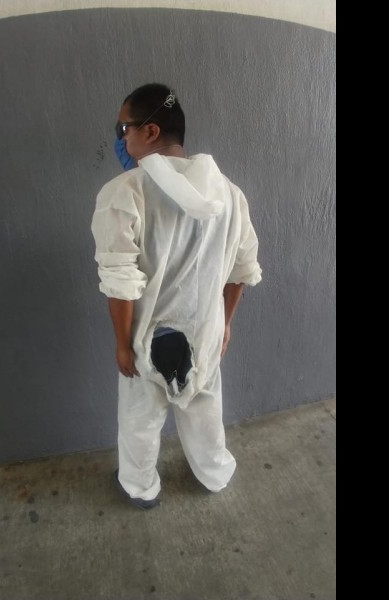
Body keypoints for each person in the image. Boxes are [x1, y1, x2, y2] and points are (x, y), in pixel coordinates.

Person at [91, 83, 262, 509]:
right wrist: (225, 324)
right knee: (204, 412)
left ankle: (140, 487)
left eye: (124, 129)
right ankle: (213, 474)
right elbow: (241, 270)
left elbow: (120, 281)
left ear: (150, 131)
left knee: (140, 421)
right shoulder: (229, 193)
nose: (120, 139)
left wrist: (122, 344)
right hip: (205, 334)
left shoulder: (124, 193)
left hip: (147, 340)